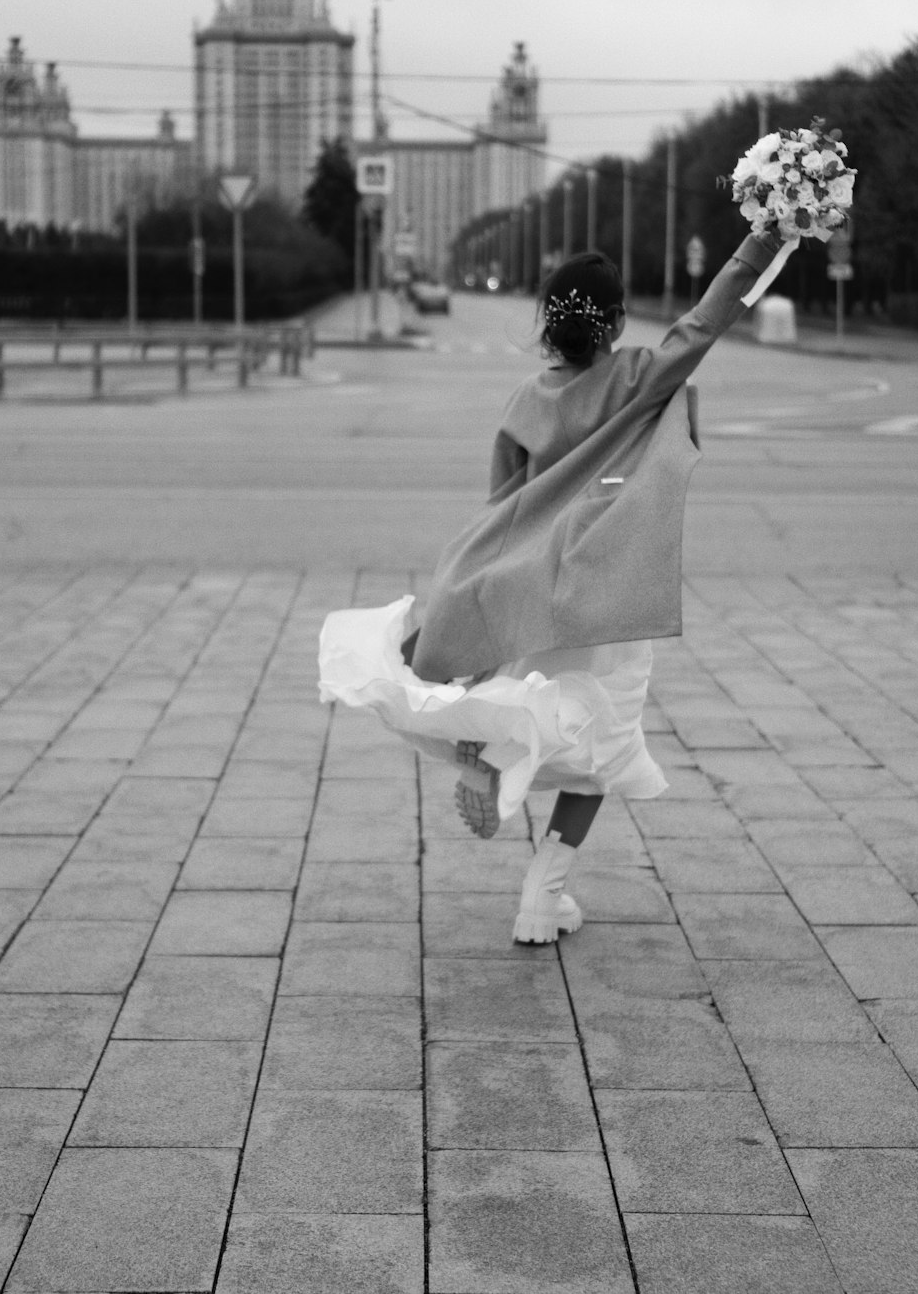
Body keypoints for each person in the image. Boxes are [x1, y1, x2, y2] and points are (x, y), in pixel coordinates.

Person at [319, 227, 782, 945]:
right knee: (603, 745)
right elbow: (706, 321)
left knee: (542, 707)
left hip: (532, 596)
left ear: (546, 322)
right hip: (606, 597)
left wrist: (472, 598)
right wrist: (762, 242)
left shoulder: (524, 403)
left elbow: (501, 507)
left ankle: (491, 757)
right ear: (619, 321)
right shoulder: (637, 377)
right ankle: (545, 888)